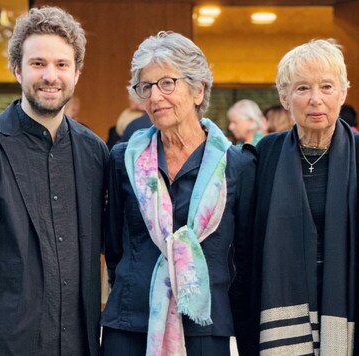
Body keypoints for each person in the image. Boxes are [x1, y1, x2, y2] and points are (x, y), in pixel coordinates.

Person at [0, 7, 108, 355]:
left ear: (77, 72)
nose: (50, 76)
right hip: (3, 347)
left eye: (62, 65)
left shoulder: (96, 153)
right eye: (37, 63)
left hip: (80, 345)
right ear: (17, 69)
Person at [100, 31, 256, 356]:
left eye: (167, 83)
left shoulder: (236, 165)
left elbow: (244, 257)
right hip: (130, 324)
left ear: (198, 90)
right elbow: (114, 246)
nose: (155, 97)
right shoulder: (123, 160)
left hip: (204, 326)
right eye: (146, 87)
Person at [233, 38, 359, 355]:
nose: (315, 99)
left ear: (343, 92)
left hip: (353, 312)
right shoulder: (265, 154)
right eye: (302, 88)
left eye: (327, 87)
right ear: (284, 97)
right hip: (277, 310)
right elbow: (245, 244)